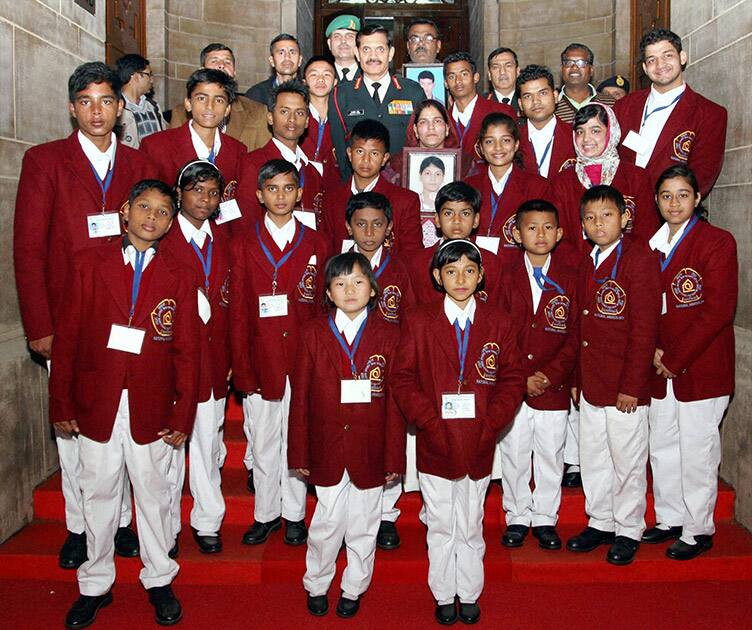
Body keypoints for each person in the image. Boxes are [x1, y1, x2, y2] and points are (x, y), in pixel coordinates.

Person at [13, 61, 153, 570]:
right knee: (76, 429)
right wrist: (40, 327)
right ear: (73, 108)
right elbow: (28, 249)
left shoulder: (139, 165)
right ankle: (80, 525)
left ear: (120, 108)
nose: (97, 111)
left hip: (130, 316)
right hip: (70, 322)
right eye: (87, 101)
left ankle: (118, 524)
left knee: (122, 421)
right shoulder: (45, 161)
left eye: (106, 101)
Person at [49, 180, 200, 628]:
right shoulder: (87, 264)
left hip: (151, 404)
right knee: (97, 493)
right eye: (143, 207)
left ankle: (159, 577)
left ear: (171, 223)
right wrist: (62, 401)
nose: (151, 217)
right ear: (124, 211)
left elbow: (188, 351)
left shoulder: (180, 274)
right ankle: (95, 583)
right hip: (98, 400)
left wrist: (182, 412)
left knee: (153, 494)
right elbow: (70, 337)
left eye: (161, 212)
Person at [392, 239, 526, 625]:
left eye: (469, 270)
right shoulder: (418, 320)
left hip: (480, 437)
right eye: (451, 271)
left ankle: (468, 591)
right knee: (440, 520)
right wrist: (428, 421)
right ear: (437, 277)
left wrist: (492, 421)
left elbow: (512, 377)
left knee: (470, 520)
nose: (461, 278)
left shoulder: (498, 320)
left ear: (481, 275)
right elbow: (402, 378)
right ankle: (442, 591)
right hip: (435, 438)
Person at [288, 252, 405, 618]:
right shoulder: (311, 333)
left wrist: (394, 457)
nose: (349, 289)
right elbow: (301, 398)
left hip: (371, 447)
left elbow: (397, 405)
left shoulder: (390, 335)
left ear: (373, 291)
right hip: (325, 446)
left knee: (364, 526)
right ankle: (317, 581)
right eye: (340, 283)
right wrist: (299, 454)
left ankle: (354, 585)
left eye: (358, 281)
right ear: (327, 292)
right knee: (326, 523)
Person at [230, 159, 329, 548]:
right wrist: (242, 367)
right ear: (258, 195)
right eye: (272, 189)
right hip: (261, 357)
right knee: (264, 440)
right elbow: (238, 312)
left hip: (303, 359)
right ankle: (266, 514)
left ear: (300, 193)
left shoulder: (316, 242)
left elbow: (324, 309)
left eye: (289, 188)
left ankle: (294, 515)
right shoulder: (243, 243)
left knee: (298, 438)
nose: (281, 196)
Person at [645, 165, 737, 560]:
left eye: (683, 194)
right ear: (657, 201)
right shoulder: (649, 244)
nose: (674, 203)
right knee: (662, 444)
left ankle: (699, 527)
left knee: (697, 448)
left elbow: (717, 310)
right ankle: (669, 518)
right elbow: (643, 306)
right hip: (657, 365)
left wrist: (675, 358)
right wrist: (652, 352)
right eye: (666, 196)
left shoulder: (717, 242)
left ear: (698, 198)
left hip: (701, 365)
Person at [566, 185, 661, 566]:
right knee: (594, 458)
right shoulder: (587, 261)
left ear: (624, 217)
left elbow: (645, 329)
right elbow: (579, 324)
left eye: (606, 215)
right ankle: (601, 520)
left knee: (627, 460)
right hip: (591, 383)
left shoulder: (640, 259)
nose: (598, 224)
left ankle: (628, 528)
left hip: (624, 386)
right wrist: (576, 376)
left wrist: (632, 386)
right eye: (590, 218)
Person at [498, 199, 579, 551]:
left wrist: (549, 374)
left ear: (560, 233)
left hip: (553, 385)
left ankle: (545, 516)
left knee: (550, 453)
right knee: (515, 451)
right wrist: (520, 376)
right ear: (517, 234)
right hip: (515, 384)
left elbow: (576, 333)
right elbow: (496, 332)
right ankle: (517, 514)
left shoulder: (572, 276)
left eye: (548, 227)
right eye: (531, 227)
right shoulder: (503, 274)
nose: (540, 234)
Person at [159, 161, 232, 555]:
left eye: (211, 192)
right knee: (169, 453)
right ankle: (166, 528)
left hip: (215, 359)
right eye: (196, 190)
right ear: (179, 193)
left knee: (208, 442)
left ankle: (207, 520)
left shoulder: (225, 239)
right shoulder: (162, 240)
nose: (204, 199)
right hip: (172, 364)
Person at [344, 192, 417, 551]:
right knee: (352, 432)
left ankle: (386, 514)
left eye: (377, 224)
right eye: (361, 224)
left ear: (389, 227)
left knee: (389, 434)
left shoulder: (400, 268)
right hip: (348, 365)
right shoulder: (340, 267)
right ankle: (349, 509)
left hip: (389, 367)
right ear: (348, 227)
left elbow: (412, 319)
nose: (369, 231)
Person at [613, 28, 727, 198]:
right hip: (623, 209)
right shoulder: (623, 107)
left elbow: (702, 175)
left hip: (671, 213)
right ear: (645, 68)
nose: (660, 65)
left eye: (667, 56)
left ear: (682, 58)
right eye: (652, 60)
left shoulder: (710, 113)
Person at [552, 103, 659, 259]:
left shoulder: (636, 177)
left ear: (611, 132)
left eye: (595, 131)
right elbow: (560, 238)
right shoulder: (562, 182)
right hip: (578, 271)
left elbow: (646, 232)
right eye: (580, 132)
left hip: (627, 268)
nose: (586, 139)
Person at [329, 24, 425, 179]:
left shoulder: (413, 92)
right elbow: (340, 149)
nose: (373, 56)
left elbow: (422, 143)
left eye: (380, 49)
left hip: (402, 184)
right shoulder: (341, 95)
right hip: (360, 187)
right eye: (366, 50)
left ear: (390, 53)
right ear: (357, 54)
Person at [322, 119, 423, 254]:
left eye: (374, 153)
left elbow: (413, 257)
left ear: (385, 158)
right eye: (360, 152)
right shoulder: (331, 200)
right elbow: (326, 252)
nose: (366, 160)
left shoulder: (405, 201)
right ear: (349, 154)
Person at [140, 68, 245, 197]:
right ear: (188, 103)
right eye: (201, 98)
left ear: (227, 109)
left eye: (218, 100)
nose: (210, 106)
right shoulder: (156, 146)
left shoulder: (238, 151)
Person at [235, 81, 324, 232]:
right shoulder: (253, 163)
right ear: (270, 117)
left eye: (300, 113)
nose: (292, 119)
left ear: (308, 121)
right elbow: (245, 223)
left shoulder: (312, 171)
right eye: (284, 111)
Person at [465, 112, 551, 263]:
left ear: (516, 144)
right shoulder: (468, 186)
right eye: (490, 142)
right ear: (481, 147)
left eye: (505, 140)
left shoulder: (538, 187)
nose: (498, 148)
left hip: (518, 268)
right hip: (475, 269)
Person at [409, 181, 503, 306]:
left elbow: (497, 313)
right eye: (448, 213)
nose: (457, 221)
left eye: (465, 213)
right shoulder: (418, 263)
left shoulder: (491, 263)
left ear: (476, 220)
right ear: (437, 219)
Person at [170, 43, 271, 151]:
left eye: (228, 62)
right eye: (214, 61)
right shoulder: (181, 113)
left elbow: (264, 158)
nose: (222, 65)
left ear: (234, 73)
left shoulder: (257, 111)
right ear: (201, 70)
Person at [443, 52, 516, 178]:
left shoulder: (501, 111)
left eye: (464, 74)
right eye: (451, 76)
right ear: (445, 83)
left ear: (476, 77)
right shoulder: (442, 120)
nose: (458, 81)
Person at [516, 64, 576, 178]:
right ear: (520, 104)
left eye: (543, 93)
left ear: (555, 96)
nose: (536, 101)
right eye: (528, 96)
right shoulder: (512, 138)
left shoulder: (574, 135)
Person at [301, 56, 341, 194]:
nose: (320, 80)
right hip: (301, 189)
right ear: (304, 81)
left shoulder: (342, 118)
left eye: (326, 74)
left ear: (335, 82)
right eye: (314, 74)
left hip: (334, 189)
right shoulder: (297, 117)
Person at [554, 43, 615, 125]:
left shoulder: (610, 103)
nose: (574, 67)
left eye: (581, 63)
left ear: (591, 70)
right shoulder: (552, 106)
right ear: (562, 69)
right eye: (569, 63)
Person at [115, 53, 166, 148]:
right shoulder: (116, 107)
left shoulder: (153, 107)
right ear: (136, 76)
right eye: (149, 75)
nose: (152, 80)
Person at [246, 33, 302, 106]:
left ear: (300, 60)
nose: (287, 57)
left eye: (292, 52)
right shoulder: (256, 95)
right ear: (272, 61)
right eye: (281, 53)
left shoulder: (311, 93)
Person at [326, 14, 361, 83]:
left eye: (349, 36)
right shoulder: (323, 78)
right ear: (329, 44)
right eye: (337, 36)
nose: (343, 41)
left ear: (358, 42)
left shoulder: (370, 75)